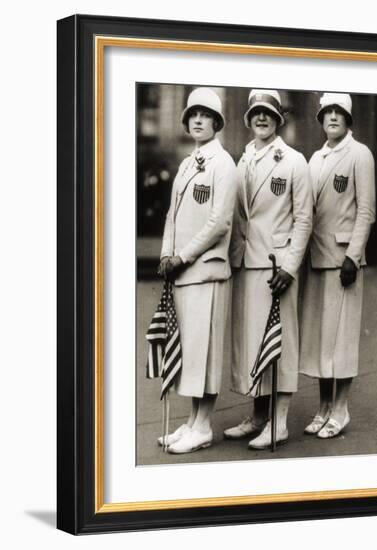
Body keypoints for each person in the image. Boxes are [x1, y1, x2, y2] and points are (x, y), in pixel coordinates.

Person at [225, 89, 312, 450]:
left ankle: (280, 423)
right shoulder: (242, 160)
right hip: (247, 261)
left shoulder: (293, 161)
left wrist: (290, 267)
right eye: (256, 113)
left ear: (278, 119)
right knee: (252, 343)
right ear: (248, 119)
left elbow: (304, 219)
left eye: (268, 113)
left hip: (277, 266)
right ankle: (258, 416)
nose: (262, 118)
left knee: (280, 343)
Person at [157, 87, 238, 453]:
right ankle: (192, 421)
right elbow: (173, 215)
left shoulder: (223, 163)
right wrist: (165, 254)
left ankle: (204, 425)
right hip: (182, 271)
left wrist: (183, 256)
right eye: (193, 115)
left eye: (206, 115)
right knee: (189, 349)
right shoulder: (188, 164)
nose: (198, 121)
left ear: (217, 122)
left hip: (205, 269)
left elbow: (219, 222)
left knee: (204, 351)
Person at [299, 92, 376, 438]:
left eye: (338, 111)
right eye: (326, 111)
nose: (332, 116)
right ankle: (324, 407)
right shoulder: (315, 158)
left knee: (341, 339)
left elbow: (366, 210)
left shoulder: (360, 154)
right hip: (315, 259)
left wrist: (353, 255)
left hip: (343, 260)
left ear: (348, 118)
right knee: (320, 340)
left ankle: (341, 410)